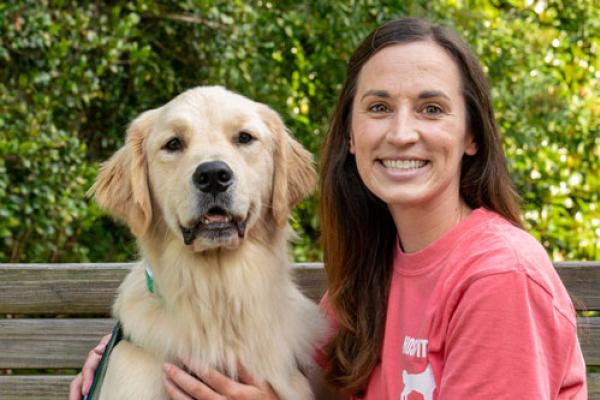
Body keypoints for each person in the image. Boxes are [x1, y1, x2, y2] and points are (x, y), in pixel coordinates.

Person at [70, 17, 587, 400]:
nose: (402, 133)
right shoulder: (371, 268)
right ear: (352, 137)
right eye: (379, 107)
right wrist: (128, 358)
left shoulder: (499, 278)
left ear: (472, 133)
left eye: (432, 109)